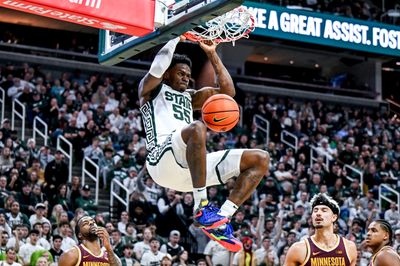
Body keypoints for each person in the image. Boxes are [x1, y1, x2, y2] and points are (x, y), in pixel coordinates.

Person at [138, 36, 269, 252]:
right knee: (197, 127)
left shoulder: (190, 97)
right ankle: (202, 205)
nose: (186, 78)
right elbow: (158, 65)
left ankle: (220, 219)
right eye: (180, 73)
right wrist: (174, 37)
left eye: (188, 76)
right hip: (161, 160)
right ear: (167, 73)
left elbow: (228, 92)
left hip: (190, 170)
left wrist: (212, 54)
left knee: (260, 159)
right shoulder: (151, 90)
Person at [284, 193, 357, 266]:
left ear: (334, 217)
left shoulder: (349, 247)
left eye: (324, 210)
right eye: (315, 211)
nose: (318, 213)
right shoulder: (298, 249)